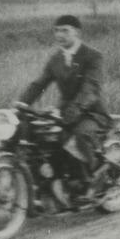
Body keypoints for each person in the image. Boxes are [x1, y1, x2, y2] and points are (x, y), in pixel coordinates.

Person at [18, 15, 112, 204]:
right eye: (56, 30)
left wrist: (71, 113)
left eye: (65, 30)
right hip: (65, 111)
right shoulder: (56, 59)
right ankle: (47, 182)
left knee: (77, 136)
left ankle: (91, 181)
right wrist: (21, 104)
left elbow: (90, 89)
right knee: (38, 135)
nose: (59, 35)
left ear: (77, 33)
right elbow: (39, 84)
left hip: (91, 112)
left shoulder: (93, 56)